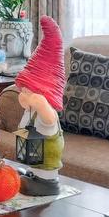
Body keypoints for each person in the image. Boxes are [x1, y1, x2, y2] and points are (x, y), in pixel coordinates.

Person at [12, 16, 66, 196]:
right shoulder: (32, 110)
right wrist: (28, 99)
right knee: (14, 175)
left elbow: (50, 118)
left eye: (28, 91)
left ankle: (44, 183)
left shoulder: (44, 112)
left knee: (15, 183)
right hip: (34, 166)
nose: (23, 94)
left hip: (46, 175)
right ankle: (32, 175)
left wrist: (40, 103)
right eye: (23, 90)